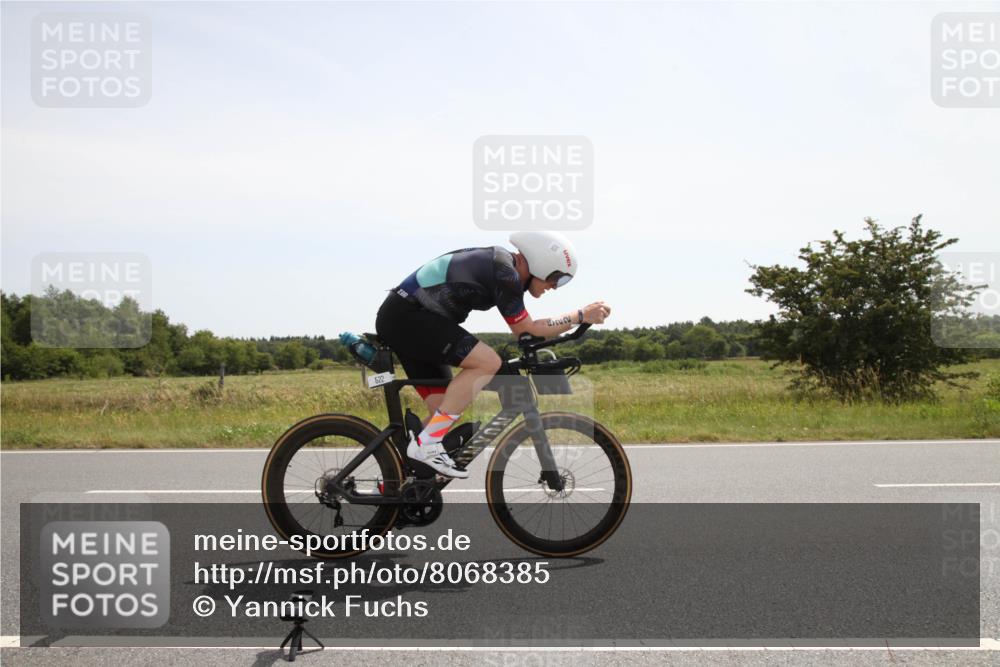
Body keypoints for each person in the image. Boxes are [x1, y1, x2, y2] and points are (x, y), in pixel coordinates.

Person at [375, 231, 611, 478]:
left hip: (410, 318)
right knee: (487, 362)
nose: (554, 286)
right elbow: (527, 330)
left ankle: (401, 480)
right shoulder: (504, 272)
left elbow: (528, 330)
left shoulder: (502, 266)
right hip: (409, 317)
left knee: (443, 410)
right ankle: (427, 445)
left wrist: (577, 319)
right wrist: (580, 316)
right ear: (541, 263)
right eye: (556, 279)